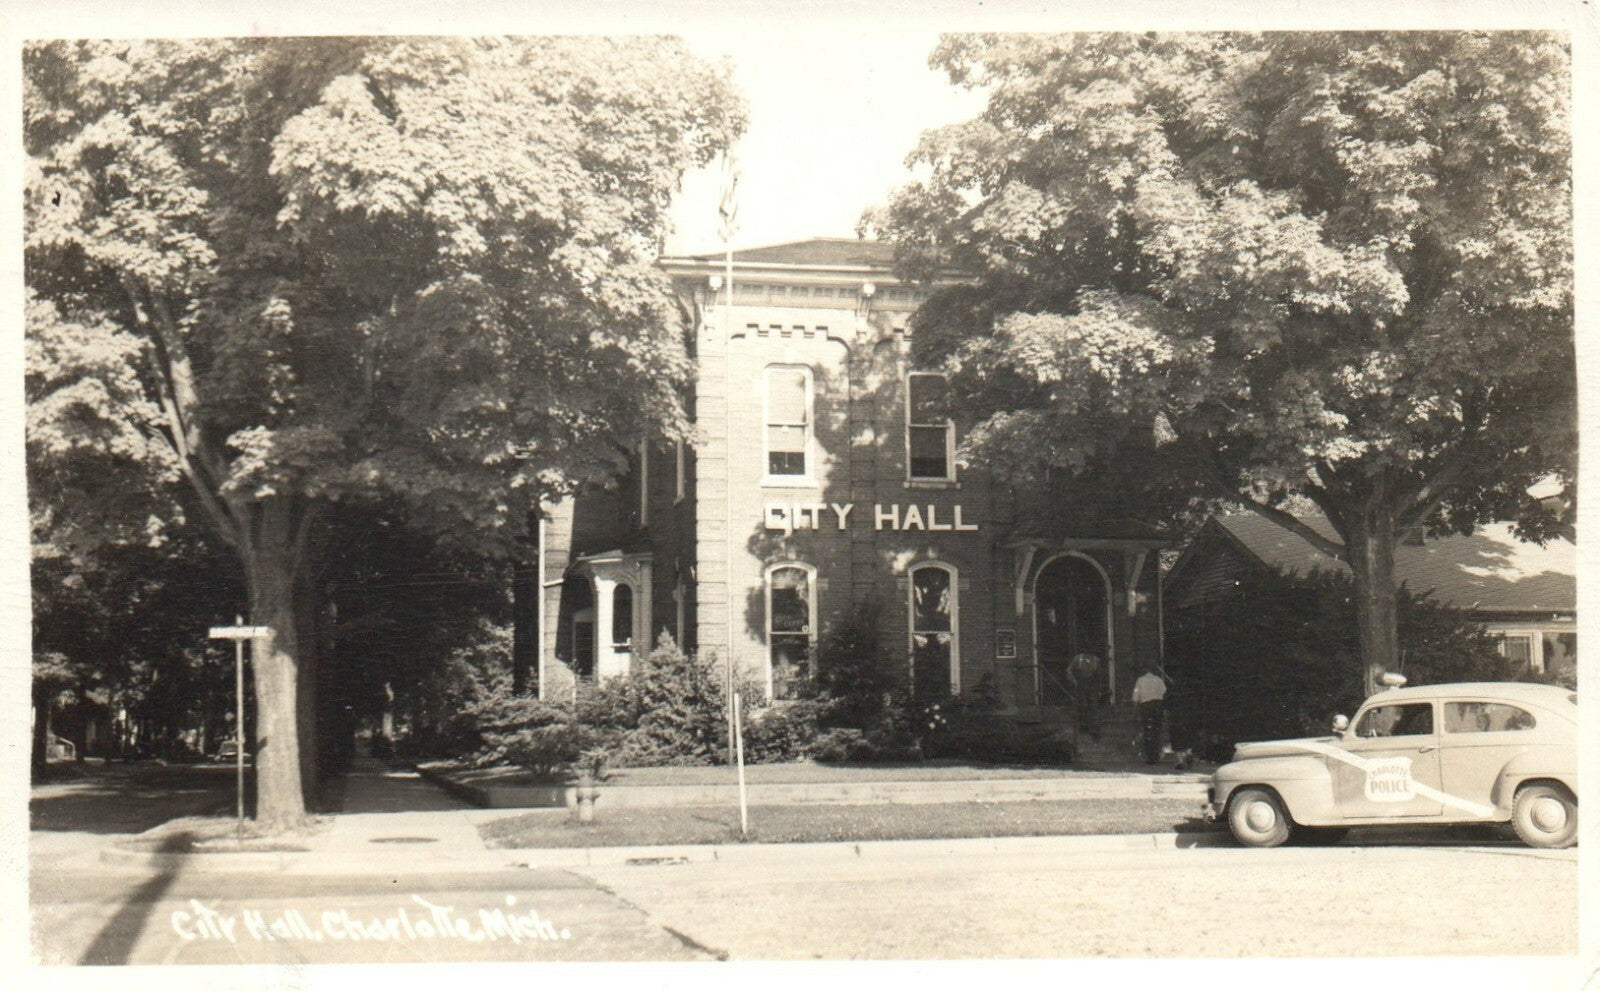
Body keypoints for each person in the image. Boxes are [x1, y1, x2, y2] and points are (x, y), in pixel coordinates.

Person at [1131, 666, 1168, 764]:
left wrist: (1134, 711)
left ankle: (1150, 756)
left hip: (1146, 707)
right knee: (1157, 731)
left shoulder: (1140, 680)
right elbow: (1165, 694)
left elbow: (1135, 698)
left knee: (1148, 731)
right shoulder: (1159, 680)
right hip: (1158, 706)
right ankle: (1157, 754)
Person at [1067, 651, 1102, 740]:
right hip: (1081, 685)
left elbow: (1099, 675)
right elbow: (1069, 670)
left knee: (1094, 707)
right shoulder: (1078, 658)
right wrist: (1074, 681)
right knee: (1082, 705)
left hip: (1092, 686)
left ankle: (1094, 731)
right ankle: (1083, 726)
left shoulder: (1096, 660)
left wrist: (1098, 687)